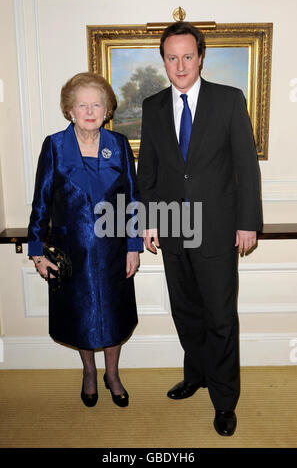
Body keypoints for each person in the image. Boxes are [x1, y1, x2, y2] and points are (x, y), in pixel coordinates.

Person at [137, 22, 262, 435]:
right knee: (186, 313)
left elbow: (246, 167)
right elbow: (148, 172)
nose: (180, 64)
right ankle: (197, 374)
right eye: (171, 57)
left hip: (218, 230)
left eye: (187, 56)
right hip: (173, 229)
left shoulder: (228, 100)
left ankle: (224, 401)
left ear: (201, 57)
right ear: (164, 61)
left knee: (221, 318)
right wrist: (148, 220)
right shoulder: (153, 106)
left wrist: (247, 224)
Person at [28, 72, 142, 408]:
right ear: (70, 110)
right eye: (82, 105)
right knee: (81, 317)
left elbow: (132, 201)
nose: (89, 111)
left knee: (113, 316)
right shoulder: (55, 146)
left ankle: (113, 374)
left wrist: (133, 246)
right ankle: (89, 373)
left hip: (112, 251)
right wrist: (37, 252)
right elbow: (41, 202)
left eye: (96, 104)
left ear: (107, 110)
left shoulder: (119, 145)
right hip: (71, 252)